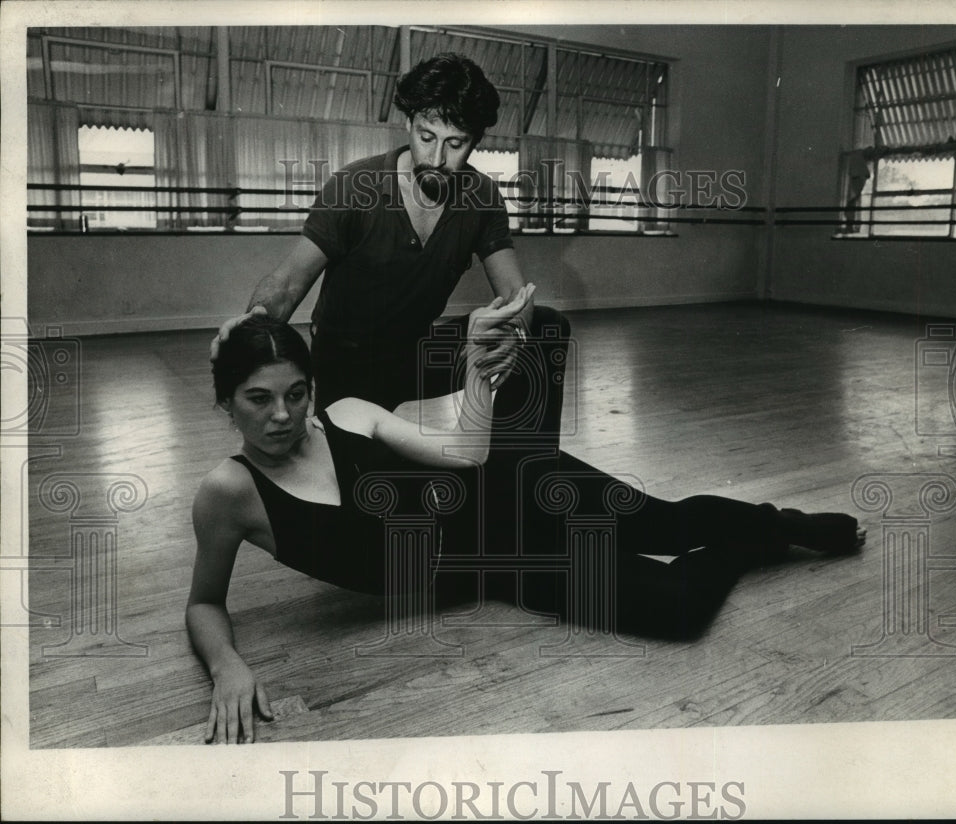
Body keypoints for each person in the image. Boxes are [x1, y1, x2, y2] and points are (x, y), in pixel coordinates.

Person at [187, 292, 867, 744]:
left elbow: (467, 453)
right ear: (225, 404)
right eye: (258, 399)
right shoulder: (229, 494)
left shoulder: (350, 415)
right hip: (497, 565)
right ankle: (753, 546)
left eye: (296, 394)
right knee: (679, 607)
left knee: (672, 524)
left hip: (517, 485)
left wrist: (479, 378)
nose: (282, 416)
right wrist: (227, 667)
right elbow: (204, 604)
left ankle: (780, 522)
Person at [214, 52, 569, 428]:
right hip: (347, 363)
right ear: (408, 123)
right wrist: (254, 322)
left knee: (546, 325)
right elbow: (286, 285)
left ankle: (510, 476)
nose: (436, 158)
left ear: (476, 141)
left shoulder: (482, 197)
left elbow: (516, 293)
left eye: (456, 143)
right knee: (360, 481)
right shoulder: (353, 186)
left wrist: (515, 331)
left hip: (416, 354)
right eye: (427, 136)